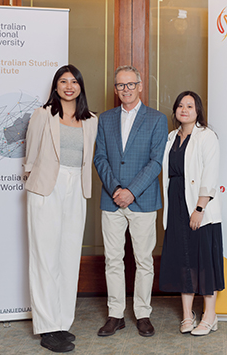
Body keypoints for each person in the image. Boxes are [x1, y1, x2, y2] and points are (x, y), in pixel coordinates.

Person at [24, 64, 98, 352]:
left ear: (80, 86)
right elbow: (30, 155)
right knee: (44, 257)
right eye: (63, 81)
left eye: (74, 81)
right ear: (55, 87)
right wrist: (33, 181)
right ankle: (46, 327)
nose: (69, 86)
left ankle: (62, 322)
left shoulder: (90, 119)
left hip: (76, 188)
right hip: (46, 188)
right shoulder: (44, 114)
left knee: (68, 257)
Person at [94, 65, 168, 337]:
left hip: (143, 200)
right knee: (113, 259)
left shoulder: (157, 119)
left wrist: (131, 191)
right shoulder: (105, 119)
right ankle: (116, 314)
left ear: (140, 86)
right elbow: (99, 158)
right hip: (111, 199)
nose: (126, 89)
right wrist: (116, 189)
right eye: (120, 85)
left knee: (143, 260)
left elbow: (156, 161)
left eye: (130, 84)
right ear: (115, 90)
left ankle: (143, 314)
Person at [159, 91, 224, 336]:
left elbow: (210, 173)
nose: (184, 109)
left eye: (190, 106)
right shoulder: (170, 138)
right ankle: (187, 315)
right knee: (183, 259)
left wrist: (199, 208)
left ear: (198, 111)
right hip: (176, 203)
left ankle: (210, 315)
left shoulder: (206, 136)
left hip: (199, 206)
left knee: (204, 259)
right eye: (180, 105)